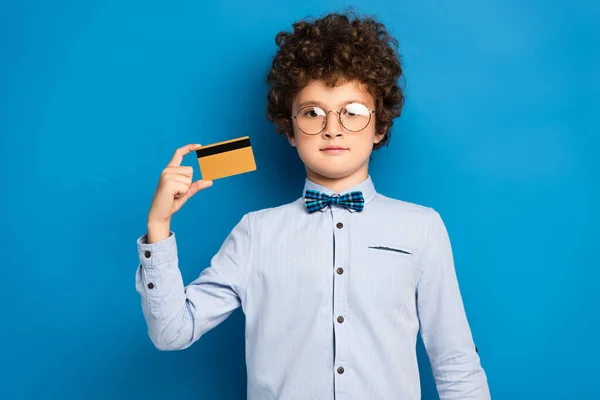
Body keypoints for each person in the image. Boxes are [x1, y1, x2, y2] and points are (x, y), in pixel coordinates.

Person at [135, 10, 491, 400]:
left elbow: (455, 362)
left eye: (352, 112)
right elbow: (172, 333)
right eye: (312, 113)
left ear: (380, 126)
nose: (332, 128)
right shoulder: (255, 232)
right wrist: (159, 228)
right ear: (289, 130)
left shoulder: (421, 228)